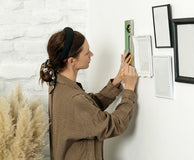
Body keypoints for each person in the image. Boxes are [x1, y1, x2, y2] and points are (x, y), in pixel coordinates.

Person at [39, 27, 138, 160]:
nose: (91, 54)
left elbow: (89, 108)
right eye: (87, 53)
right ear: (71, 61)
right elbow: (115, 125)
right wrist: (129, 89)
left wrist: (117, 81)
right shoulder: (74, 98)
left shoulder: (57, 85)